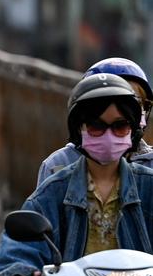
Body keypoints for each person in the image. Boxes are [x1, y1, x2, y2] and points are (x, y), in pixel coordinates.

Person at [0, 73, 153, 276]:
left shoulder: (148, 185)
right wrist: (20, 272)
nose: (108, 135)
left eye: (119, 126)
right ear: (78, 129)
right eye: (96, 127)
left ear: (133, 130)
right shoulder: (53, 191)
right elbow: (21, 244)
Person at [37, 57, 153, 185]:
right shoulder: (59, 164)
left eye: (134, 103)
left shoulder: (150, 164)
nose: (119, 111)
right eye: (98, 125)